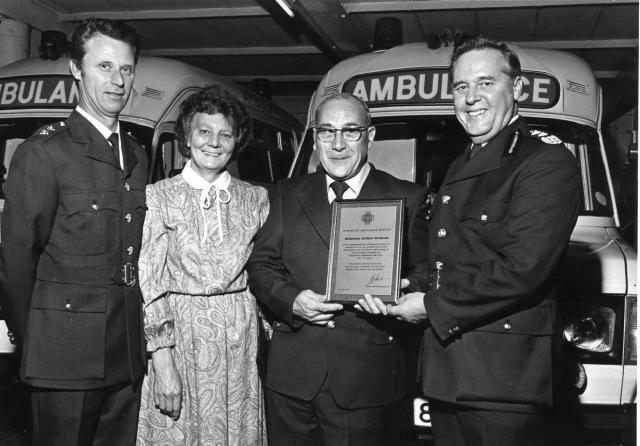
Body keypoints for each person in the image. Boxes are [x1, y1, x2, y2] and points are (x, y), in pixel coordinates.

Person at [358, 36, 583, 445]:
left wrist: (428, 306)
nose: (471, 97)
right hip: (450, 372)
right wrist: (412, 283)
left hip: (503, 379)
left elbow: (522, 270)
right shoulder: (465, 160)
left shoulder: (544, 162)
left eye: (485, 83)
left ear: (516, 88)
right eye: (461, 87)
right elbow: (454, 255)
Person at [246, 92, 429, 446]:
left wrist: (403, 288)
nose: (338, 144)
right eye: (327, 132)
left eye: (351, 131)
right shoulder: (286, 193)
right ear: (315, 139)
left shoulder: (408, 197)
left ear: (370, 137)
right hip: (292, 379)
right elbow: (261, 265)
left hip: (366, 380)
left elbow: (426, 270)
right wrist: (292, 300)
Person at [0, 18, 146, 446]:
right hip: (63, 358)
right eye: (104, 67)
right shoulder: (44, 153)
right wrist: (37, 348)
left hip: (125, 355)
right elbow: (16, 261)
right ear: (76, 70)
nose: (118, 80)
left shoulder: (135, 154)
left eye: (126, 69)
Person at [135, 85, 269, 445]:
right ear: (186, 136)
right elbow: (149, 279)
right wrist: (162, 360)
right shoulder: (159, 196)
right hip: (181, 337)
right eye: (203, 131)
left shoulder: (256, 199)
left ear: (237, 139)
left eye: (225, 133)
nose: (214, 142)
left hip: (239, 340)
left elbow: (267, 271)